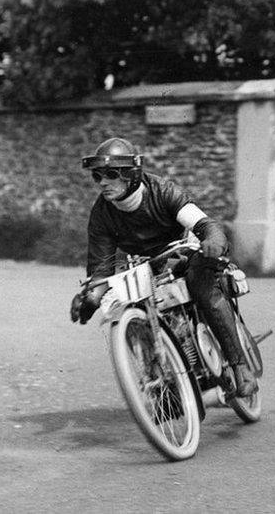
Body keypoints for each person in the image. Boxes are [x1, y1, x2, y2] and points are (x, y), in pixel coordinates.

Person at [69, 137, 255, 396]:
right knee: (130, 307)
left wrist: (212, 240)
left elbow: (204, 225)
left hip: (186, 252)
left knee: (203, 287)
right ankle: (164, 388)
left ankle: (240, 367)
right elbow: (101, 269)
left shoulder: (162, 191)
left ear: (132, 175)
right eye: (97, 176)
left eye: (111, 174)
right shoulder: (102, 214)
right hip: (148, 264)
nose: (102, 182)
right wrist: (91, 297)